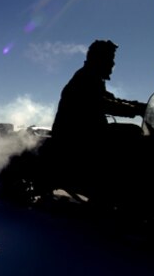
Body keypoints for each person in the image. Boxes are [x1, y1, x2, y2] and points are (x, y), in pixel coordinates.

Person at [50, 39, 146, 200]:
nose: (113, 64)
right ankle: (117, 189)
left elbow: (112, 100)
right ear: (99, 59)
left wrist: (140, 106)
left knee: (132, 132)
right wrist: (134, 110)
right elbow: (101, 103)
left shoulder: (93, 78)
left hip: (87, 132)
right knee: (132, 133)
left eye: (112, 59)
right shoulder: (85, 78)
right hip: (75, 135)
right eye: (110, 59)